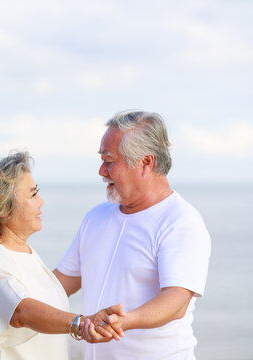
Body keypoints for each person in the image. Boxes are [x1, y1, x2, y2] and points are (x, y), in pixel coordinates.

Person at [53, 110, 211, 359]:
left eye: (109, 161)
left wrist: (121, 322)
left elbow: (176, 302)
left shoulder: (181, 221)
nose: (101, 171)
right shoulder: (95, 218)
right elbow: (57, 285)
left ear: (146, 163)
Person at [0, 151, 126, 360]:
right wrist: (80, 323)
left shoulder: (25, 253)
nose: (41, 201)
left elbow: (44, 302)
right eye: (32, 194)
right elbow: (22, 312)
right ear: (3, 207)